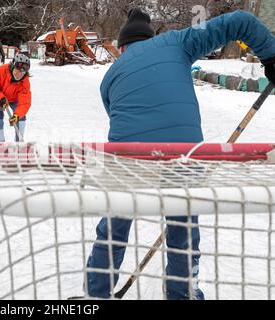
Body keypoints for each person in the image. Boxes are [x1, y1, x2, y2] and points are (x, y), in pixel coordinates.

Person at [86, 8, 275, 300]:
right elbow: (240, 20)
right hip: (183, 155)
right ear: (151, 37)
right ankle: (181, 291)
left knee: (115, 223)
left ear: (122, 47)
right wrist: (271, 55)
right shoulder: (175, 42)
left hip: (129, 158)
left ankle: (96, 294)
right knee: (182, 226)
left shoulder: (110, 75)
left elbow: (116, 114)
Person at [0, 53, 32, 142]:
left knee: (21, 117)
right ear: (13, 66)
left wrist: (17, 115)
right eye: (18, 70)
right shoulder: (1, 70)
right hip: (0, 97)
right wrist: (1, 98)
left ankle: (18, 142)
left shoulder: (25, 81)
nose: (19, 74)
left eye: (23, 72)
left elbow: (25, 102)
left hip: (15, 99)